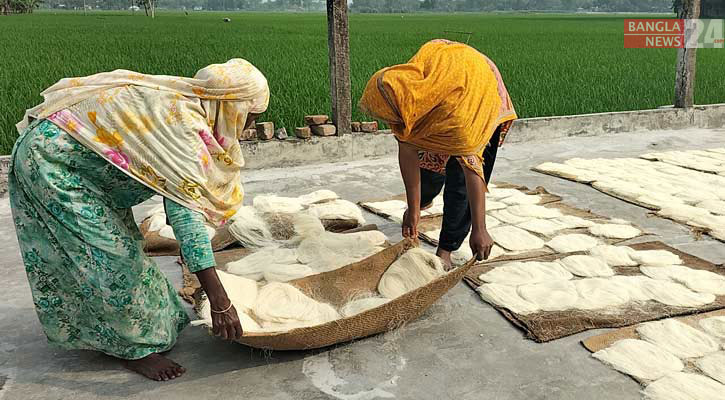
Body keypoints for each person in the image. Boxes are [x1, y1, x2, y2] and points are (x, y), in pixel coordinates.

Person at [9, 59, 269, 381]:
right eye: (251, 117)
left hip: (89, 170)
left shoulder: (191, 106)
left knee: (125, 245)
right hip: (52, 165)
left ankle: (152, 321)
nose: (250, 127)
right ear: (231, 108)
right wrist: (219, 300)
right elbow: (184, 216)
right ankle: (135, 350)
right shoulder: (182, 126)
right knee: (110, 257)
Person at [359, 39, 517, 268]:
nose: (391, 123)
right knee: (429, 164)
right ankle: (424, 201)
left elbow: (472, 174)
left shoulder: (459, 121)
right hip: (448, 71)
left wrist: (480, 229)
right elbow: (408, 152)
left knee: (458, 181)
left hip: (479, 86)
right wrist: (413, 209)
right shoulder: (408, 95)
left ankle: (446, 248)